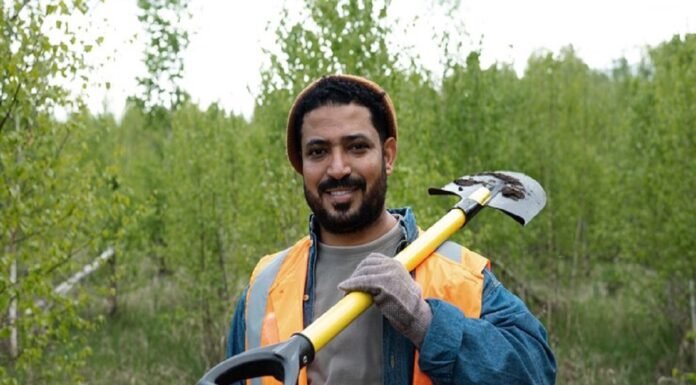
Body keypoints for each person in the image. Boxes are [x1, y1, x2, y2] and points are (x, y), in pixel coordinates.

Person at [226, 74, 556, 385]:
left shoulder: (459, 275)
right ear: (301, 164)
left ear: (388, 155)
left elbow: (536, 372)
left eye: (357, 147)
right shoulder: (266, 286)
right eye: (318, 152)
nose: (338, 168)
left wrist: (427, 323)